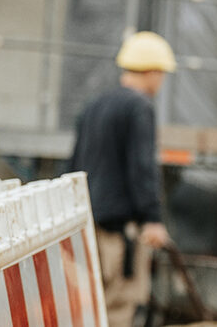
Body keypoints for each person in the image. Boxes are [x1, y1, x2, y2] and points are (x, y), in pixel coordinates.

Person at [69, 30, 174, 327]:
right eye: (162, 74)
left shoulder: (94, 105)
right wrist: (152, 218)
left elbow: (74, 163)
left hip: (87, 224)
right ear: (152, 71)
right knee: (117, 307)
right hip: (119, 232)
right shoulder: (139, 107)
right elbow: (142, 167)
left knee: (88, 306)